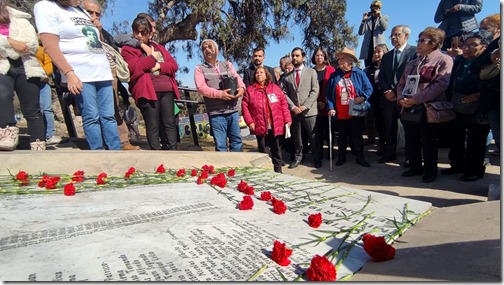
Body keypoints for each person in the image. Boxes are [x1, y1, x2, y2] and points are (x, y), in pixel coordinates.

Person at [34, 0, 121, 151]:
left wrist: (98, 30)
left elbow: (93, 41)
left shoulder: (80, 10)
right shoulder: (46, 7)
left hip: (102, 71)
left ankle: (115, 151)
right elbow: (50, 45)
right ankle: (97, 153)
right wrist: (69, 73)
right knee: (91, 116)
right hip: (81, 73)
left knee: (109, 116)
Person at [397, 27, 454, 183]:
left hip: (428, 108)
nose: (419, 44)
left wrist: (416, 99)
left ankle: (430, 171)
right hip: (409, 107)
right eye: (419, 40)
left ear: (435, 43)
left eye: (423, 40)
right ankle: (415, 167)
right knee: (411, 139)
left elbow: (440, 85)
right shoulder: (412, 63)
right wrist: (401, 98)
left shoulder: (444, 60)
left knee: (428, 141)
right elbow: (401, 84)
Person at [82, 0, 140, 151]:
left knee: (111, 110)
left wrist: (99, 32)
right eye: (90, 12)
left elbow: (109, 46)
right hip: (85, 74)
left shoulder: (103, 32)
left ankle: (119, 144)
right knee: (91, 114)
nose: (94, 16)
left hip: (107, 73)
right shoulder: (75, 31)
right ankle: (97, 148)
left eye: (97, 13)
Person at [121, 16, 180, 150]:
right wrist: (153, 58)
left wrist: (159, 66)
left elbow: (173, 65)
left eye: (143, 32)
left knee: (169, 123)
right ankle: (156, 155)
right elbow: (135, 68)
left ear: (150, 33)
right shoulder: (128, 49)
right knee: (153, 125)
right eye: (137, 32)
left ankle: (172, 152)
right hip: (147, 91)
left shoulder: (158, 47)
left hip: (167, 90)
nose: (140, 35)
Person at [0, 0, 46, 151]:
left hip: (26, 66)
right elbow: (20, 46)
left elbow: (30, 45)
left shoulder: (21, 19)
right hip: (2, 65)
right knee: (3, 95)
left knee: (32, 108)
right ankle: (8, 133)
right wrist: (10, 41)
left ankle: (38, 142)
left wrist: (4, 45)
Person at [442, 33, 489, 182]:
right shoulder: (459, 62)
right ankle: (457, 165)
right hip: (458, 104)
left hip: (479, 107)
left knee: (476, 140)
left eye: (472, 45)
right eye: (465, 45)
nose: (467, 48)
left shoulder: (487, 62)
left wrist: (478, 95)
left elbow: (493, 83)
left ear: (484, 47)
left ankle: (475, 170)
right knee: (456, 137)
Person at [194, 39, 246, 152]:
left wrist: (241, 88)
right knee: (221, 145)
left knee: (237, 142)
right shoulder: (199, 69)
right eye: (204, 48)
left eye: (209, 46)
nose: (207, 49)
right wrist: (220, 94)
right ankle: (225, 169)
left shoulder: (227, 65)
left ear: (217, 50)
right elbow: (201, 88)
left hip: (232, 111)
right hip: (216, 113)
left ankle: (238, 168)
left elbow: (238, 78)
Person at [326, 47, 373, 168]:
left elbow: (369, 89)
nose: (340, 61)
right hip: (341, 111)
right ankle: (341, 157)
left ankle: (360, 157)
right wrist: (331, 107)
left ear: (350, 60)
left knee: (356, 135)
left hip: (355, 110)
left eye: (343, 58)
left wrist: (362, 97)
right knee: (342, 136)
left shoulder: (359, 73)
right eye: (339, 59)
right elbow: (329, 94)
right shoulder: (334, 75)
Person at [378, 25, 418, 165]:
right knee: (389, 129)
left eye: (397, 35)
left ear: (406, 36)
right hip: (388, 99)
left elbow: (413, 76)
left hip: (405, 98)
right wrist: (387, 91)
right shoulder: (387, 56)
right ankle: (389, 155)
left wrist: (396, 92)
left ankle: (410, 157)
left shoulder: (414, 52)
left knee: (409, 129)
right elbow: (381, 76)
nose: (394, 38)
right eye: (392, 35)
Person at [242, 66, 292, 173]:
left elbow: (284, 104)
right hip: (259, 124)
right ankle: (264, 171)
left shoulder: (275, 88)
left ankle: (278, 171)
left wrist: (287, 119)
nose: (259, 74)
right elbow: (245, 107)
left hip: (275, 124)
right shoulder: (250, 90)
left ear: (266, 75)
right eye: (257, 73)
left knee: (277, 149)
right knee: (263, 150)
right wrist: (250, 121)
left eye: (261, 72)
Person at [282, 47, 320, 169]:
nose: (294, 58)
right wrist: (292, 106)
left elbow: (315, 90)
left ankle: (316, 158)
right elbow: (284, 94)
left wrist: (305, 106)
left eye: (297, 55)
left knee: (313, 137)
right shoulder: (287, 77)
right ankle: (298, 158)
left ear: (303, 57)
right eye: (293, 56)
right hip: (295, 112)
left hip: (309, 111)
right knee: (297, 138)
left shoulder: (311, 72)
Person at [470, 13, 500, 157]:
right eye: (480, 28)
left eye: (486, 28)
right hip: (492, 98)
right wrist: (490, 57)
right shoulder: (492, 47)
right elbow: (475, 67)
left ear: (498, 28)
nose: (482, 31)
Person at [312, 47, 336, 167]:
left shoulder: (331, 70)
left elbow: (333, 88)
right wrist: (317, 102)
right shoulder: (311, 71)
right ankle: (319, 154)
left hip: (328, 104)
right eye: (317, 55)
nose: (319, 57)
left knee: (329, 131)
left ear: (325, 57)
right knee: (318, 133)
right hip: (315, 106)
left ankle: (331, 153)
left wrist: (325, 102)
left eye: (321, 55)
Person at [36, 40, 62, 145]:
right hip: (30, 81)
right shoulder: (26, 49)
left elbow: (48, 64)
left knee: (47, 108)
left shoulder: (42, 49)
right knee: (39, 108)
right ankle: (39, 136)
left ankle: (49, 135)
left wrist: (43, 73)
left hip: (44, 81)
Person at [364, 43, 388, 156]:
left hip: (388, 99)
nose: (376, 54)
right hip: (374, 100)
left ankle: (390, 145)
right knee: (378, 123)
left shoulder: (388, 66)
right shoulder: (369, 69)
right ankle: (381, 144)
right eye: (375, 52)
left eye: (379, 52)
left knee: (387, 123)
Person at [358, 0, 389, 68]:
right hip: (368, 50)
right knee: (369, 68)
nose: (374, 11)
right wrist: (363, 20)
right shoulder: (367, 20)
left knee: (380, 67)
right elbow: (360, 32)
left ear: (379, 9)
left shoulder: (384, 18)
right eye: (373, 9)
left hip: (378, 49)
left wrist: (380, 17)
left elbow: (385, 27)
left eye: (376, 9)